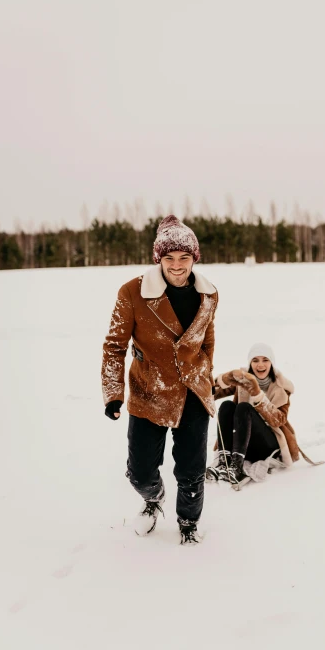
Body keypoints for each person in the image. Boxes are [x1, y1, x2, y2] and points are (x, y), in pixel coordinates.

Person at [101, 215, 218, 544]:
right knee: (139, 472)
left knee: (192, 471)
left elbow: (206, 342)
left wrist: (203, 374)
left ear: (194, 258)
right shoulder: (132, 292)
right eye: (169, 258)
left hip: (193, 393)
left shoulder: (209, 295)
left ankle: (189, 523)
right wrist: (114, 393)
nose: (177, 266)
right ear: (158, 259)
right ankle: (153, 498)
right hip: (147, 393)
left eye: (184, 258)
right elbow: (114, 347)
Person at [210, 343, 300, 484]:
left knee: (244, 408)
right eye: (255, 360)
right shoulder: (244, 380)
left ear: (271, 363)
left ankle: (237, 467)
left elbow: (278, 420)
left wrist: (258, 395)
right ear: (250, 363)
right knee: (227, 406)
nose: (260, 365)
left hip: (267, 444)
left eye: (265, 360)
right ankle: (224, 461)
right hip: (243, 441)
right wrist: (224, 379)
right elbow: (211, 393)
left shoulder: (281, 388)